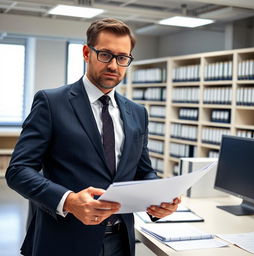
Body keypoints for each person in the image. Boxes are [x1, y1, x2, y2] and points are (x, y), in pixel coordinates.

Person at [6, 18, 181, 256]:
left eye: (122, 58)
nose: (114, 65)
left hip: (120, 241)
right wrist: (68, 200)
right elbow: (19, 170)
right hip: (63, 241)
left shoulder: (137, 113)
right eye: (105, 55)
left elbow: (142, 171)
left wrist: (160, 198)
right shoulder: (51, 103)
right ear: (87, 53)